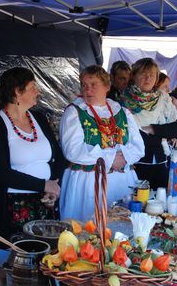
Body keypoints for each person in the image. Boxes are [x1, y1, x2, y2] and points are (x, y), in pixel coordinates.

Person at [0, 67, 66, 241]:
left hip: (45, 201)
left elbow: (58, 157)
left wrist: (53, 187)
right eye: (33, 87)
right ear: (17, 92)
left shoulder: (39, 119)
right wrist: (43, 185)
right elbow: (0, 173)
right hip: (14, 206)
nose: (38, 91)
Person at [60, 66, 144, 221]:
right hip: (88, 182)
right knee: (86, 231)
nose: (87, 90)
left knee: (122, 230)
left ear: (107, 86)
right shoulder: (75, 112)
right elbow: (73, 150)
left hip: (122, 181)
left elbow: (139, 147)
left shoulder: (122, 112)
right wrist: (111, 158)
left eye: (93, 84)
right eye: (84, 85)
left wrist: (124, 157)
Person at [118, 58, 177, 188]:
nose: (148, 78)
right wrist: (162, 135)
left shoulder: (163, 98)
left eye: (152, 75)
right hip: (134, 164)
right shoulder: (122, 101)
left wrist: (153, 129)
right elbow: (124, 134)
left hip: (160, 161)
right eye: (143, 74)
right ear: (134, 75)